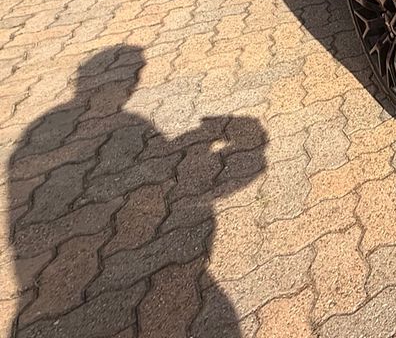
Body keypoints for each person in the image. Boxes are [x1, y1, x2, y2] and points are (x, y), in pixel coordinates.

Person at [6, 45, 266, 337]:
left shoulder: (49, 131)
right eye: (135, 72)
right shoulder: (116, 124)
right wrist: (250, 149)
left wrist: (201, 143)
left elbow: (167, 163)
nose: (135, 79)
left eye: (137, 71)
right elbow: (184, 176)